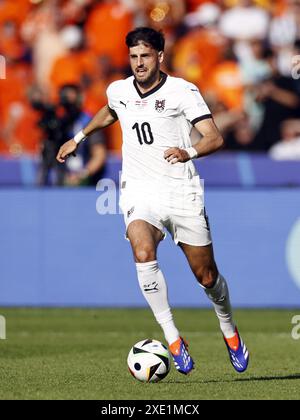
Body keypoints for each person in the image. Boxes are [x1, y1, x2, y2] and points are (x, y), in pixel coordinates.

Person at [57, 27, 249, 375]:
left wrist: (186, 151)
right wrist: (79, 137)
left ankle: (229, 329)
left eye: (145, 56)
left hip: (180, 191)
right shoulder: (119, 89)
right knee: (142, 250)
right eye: (133, 57)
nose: (139, 63)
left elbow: (214, 137)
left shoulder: (182, 91)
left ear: (160, 56)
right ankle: (173, 338)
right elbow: (111, 110)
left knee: (206, 276)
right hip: (138, 190)